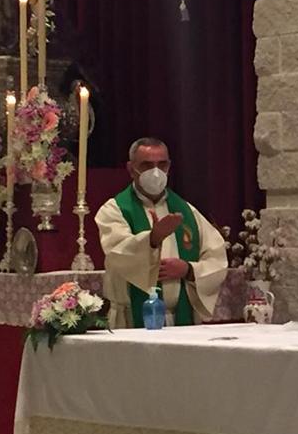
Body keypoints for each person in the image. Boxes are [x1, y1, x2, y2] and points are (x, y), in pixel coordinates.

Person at [95, 137, 228, 328]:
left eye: (162, 164)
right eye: (147, 165)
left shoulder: (187, 211)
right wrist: (152, 239)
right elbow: (119, 253)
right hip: (132, 320)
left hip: (181, 321)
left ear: (169, 166)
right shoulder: (114, 210)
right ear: (131, 169)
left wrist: (188, 270)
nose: (156, 172)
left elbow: (217, 259)